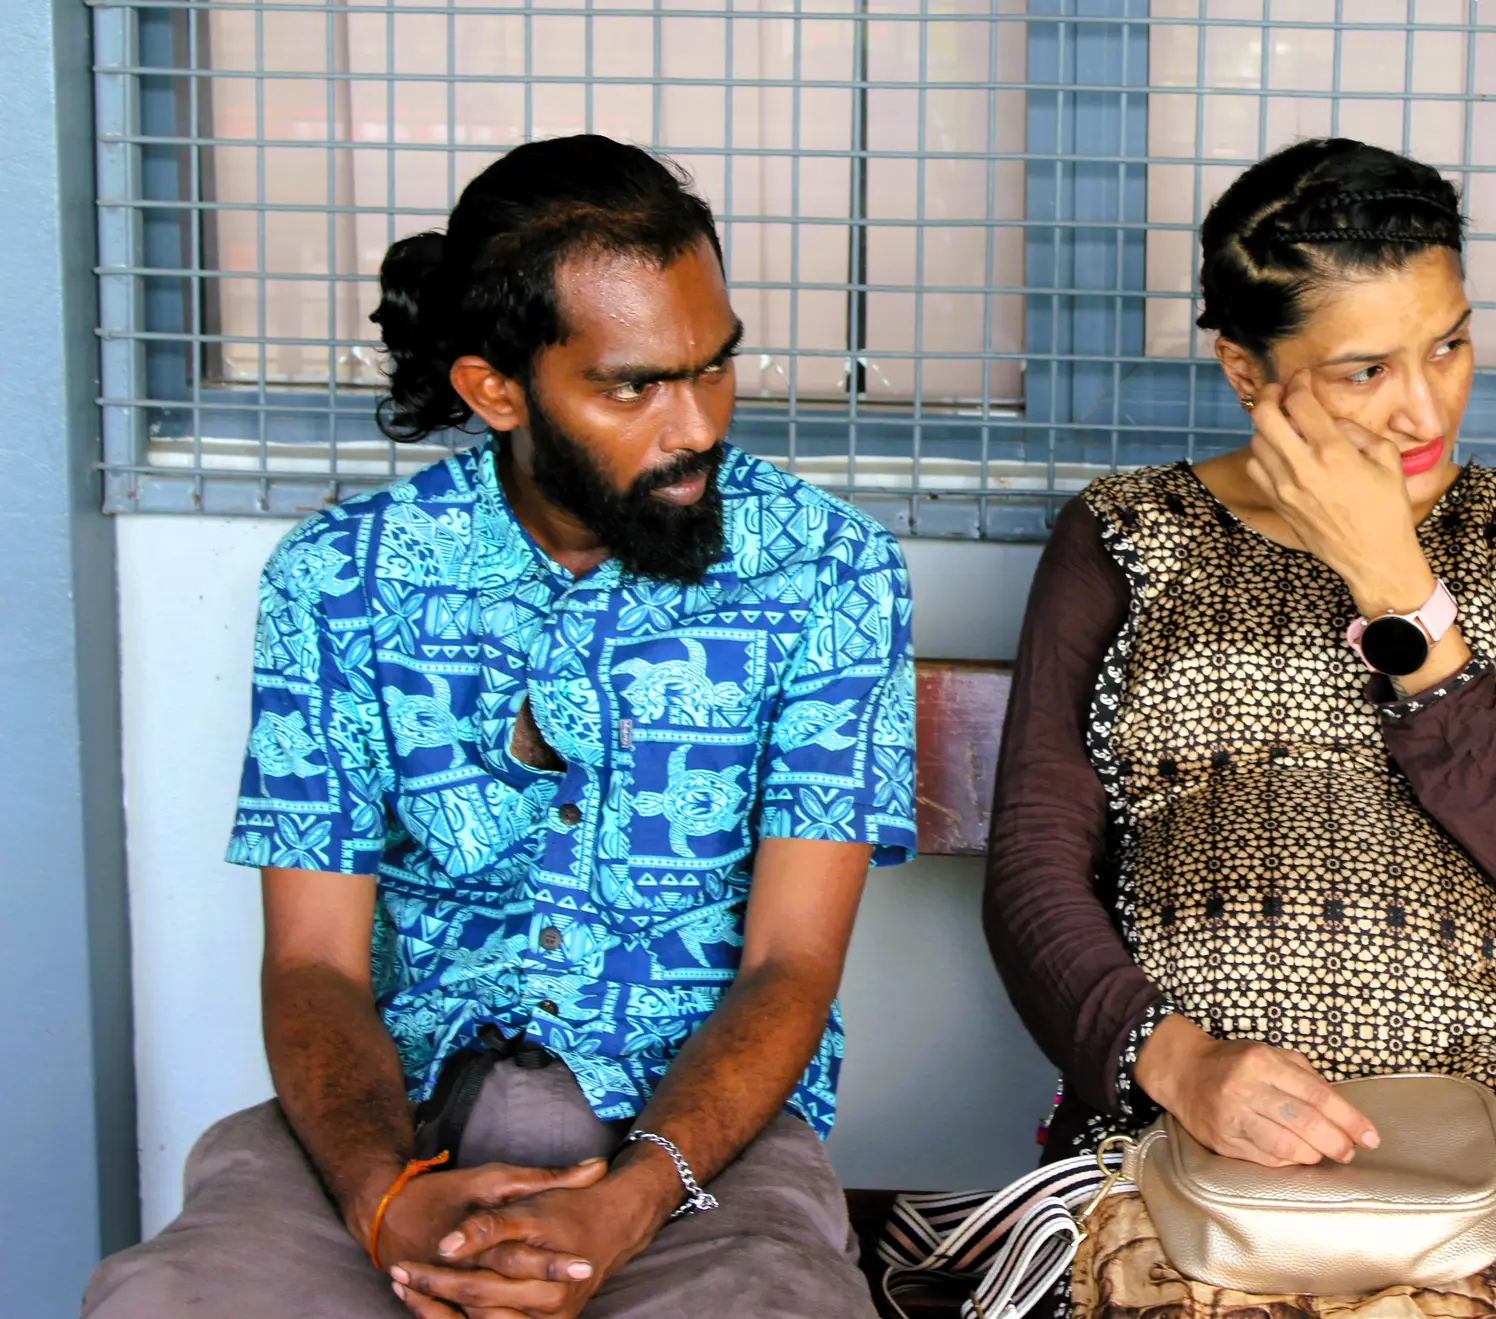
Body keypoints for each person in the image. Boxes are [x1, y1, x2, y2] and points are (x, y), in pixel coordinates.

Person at [83, 135, 915, 1319]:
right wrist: (387, 1200)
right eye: (635, 384)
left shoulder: (828, 572)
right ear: (496, 388)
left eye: (715, 367)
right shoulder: (340, 581)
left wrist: (622, 1206)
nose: (697, 425)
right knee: (161, 1302)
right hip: (398, 1109)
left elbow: (793, 962)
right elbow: (313, 959)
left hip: (688, 1139)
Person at [983, 137, 1496, 1319]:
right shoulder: (1129, 533)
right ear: (1246, 370)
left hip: (1470, 1145)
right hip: (1175, 1129)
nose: (1425, 404)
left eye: (1449, 343)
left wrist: (1398, 590)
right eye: (1364, 368)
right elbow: (1030, 861)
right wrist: (1174, 1061)